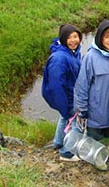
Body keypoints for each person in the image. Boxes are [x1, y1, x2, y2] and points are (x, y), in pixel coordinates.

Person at [73, 19, 109, 170]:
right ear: (100, 38)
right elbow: (82, 86)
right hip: (96, 110)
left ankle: (107, 150)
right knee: (95, 135)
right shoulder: (90, 57)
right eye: (107, 36)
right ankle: (96, 156)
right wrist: (82, 109)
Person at [41, 24, 83, 161]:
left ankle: (58, 143)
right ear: (63, 39)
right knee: (78, 122)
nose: (73, 40)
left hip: (72, 95)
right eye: (69, 37)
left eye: (76, 37)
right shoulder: (59, 58)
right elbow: (55, 86)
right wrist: (63, 106)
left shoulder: (73, 52)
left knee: (64, 118)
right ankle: (67, 153)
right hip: (66, 98)